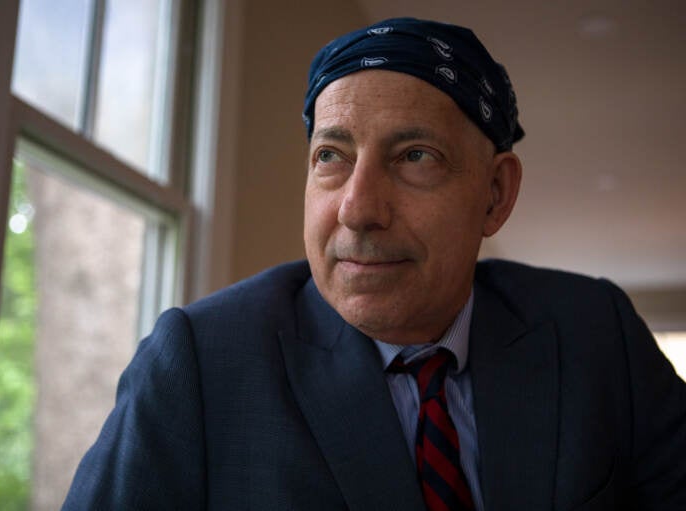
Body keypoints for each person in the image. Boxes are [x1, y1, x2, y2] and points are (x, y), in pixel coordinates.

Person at [63, 18, 686, 510]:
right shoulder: (198, 364)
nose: (357, 210)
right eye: (331, 156)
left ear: (495, 195)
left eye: (415, 156)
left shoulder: (595, 331)